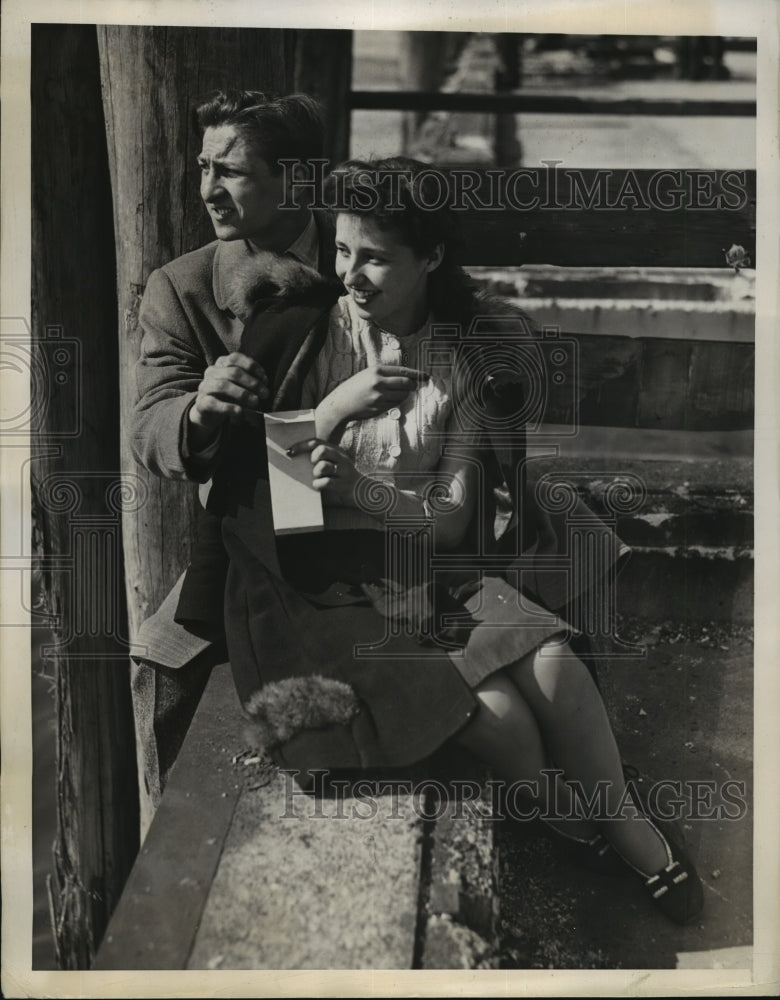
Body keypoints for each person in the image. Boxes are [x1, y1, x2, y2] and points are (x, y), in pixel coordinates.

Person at [206, 156, 703, 926]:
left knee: (556, 663)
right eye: (342, 251)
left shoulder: (464, 360)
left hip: (422, 566)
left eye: (374, 256)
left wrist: (362, 490)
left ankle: (628, 828)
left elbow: (450, 518)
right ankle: (565, 809)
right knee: (501, 717)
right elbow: (265, 512)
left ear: (431, 258)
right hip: (315, 592)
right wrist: (334, 409)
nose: (352, 275)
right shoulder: (298, 337)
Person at [129, 89, 339, 830]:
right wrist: (199, 410)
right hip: (247, 525)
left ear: (298, 180)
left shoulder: (365, 254)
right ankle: (168, 857)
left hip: (365, 504)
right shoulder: (182, 287)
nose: (208, 189)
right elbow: (149, 422)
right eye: (202, 166)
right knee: (162, 672)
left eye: (233, 171)